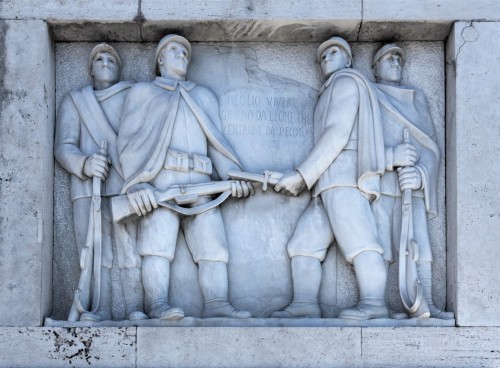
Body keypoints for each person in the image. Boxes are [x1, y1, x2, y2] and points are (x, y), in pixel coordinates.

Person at [117, 34, 253, 320]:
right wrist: (136, 184)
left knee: (213, 246)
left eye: (185, 52)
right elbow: (129, 144)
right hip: (163, 182)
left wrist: (236, 178)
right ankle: (157, 304)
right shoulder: (143, 93)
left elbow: (218, 144)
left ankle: (217, 304)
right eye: (174, 50)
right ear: (160, 60)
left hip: (203, 182)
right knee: (157, 245)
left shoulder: (203, 95)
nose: (181, 55)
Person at [273, 36, 389, 320]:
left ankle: (374, 304)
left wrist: (301, 176)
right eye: (322, 55)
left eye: (334, 52)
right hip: (326, 182)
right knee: (303, 244)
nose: (326, 57)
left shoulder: (346, 82)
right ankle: (305, 303)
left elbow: (337, 133)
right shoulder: (329, 90)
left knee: (359, 241)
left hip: (345, 177)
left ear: (348, 60)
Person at [55, 44, 147, 322]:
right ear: (91, 68)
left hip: (126, 184)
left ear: (120, 69)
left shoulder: (133, 96)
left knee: (130, 249)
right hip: (86, 188)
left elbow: (142, 140)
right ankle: (99, 308)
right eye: (99, 58)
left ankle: (136, 307)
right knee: (96, 250)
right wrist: (84, 163)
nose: (105, 62)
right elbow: (64, 146)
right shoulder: (75, 101)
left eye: (111, 59)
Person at [371, 43, 454, 319]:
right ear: (375, 67)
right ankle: (375, 304)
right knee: (379, 245)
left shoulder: (416, 99)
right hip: (380, 183)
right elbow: (359, 144)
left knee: (420, 244)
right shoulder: (367, 95)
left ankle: (426, 301)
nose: (395, 62)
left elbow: (431, 146)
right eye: (387, 58)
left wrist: (419, 174)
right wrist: (388, 158)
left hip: (411, 183)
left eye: (398, 58)